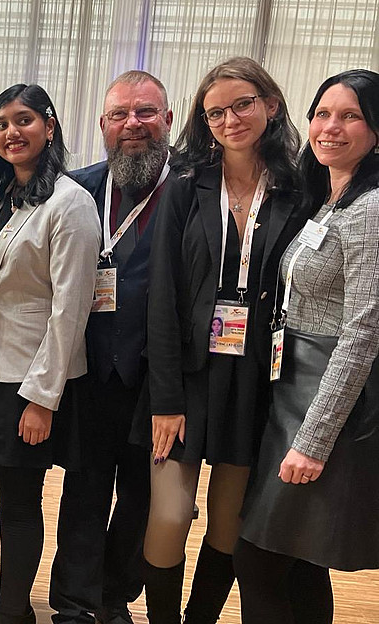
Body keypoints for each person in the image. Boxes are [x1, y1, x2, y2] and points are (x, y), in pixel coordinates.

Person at [139, 57, 306, 624]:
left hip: (257, 378)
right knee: (168, 516)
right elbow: (161, 297)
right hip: (185, 377)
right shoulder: (186, 186)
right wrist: (165, 399)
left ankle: (199, 618)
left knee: (229, 521)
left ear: (271, 105)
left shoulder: (298, 189)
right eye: (215, 112)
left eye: (242, 105)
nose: (230, 119)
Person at [235, 68, 379, 624]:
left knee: (261, 557)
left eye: (350, 116)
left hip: (326, 401)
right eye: (322, 113)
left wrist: (315, 440)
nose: (330, 127)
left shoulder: (370, 211)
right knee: (298, 560)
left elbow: (363, 331)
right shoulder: (330, 200)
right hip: (292, 388)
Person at [0, 85, 102, 624]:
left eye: (23, 121)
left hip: (34, 380)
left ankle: (13, 613)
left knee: (20, 504)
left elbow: (71, 310)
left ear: (50, 125)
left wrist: (43, 399)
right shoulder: (4, 197)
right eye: (0, 125)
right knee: (9, 499)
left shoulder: (71, 202)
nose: (11, 133)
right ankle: (11, 609)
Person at [50, 70, 173, 624]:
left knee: (143, 500)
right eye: (120, 115)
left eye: (145, 112)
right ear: (102, 124)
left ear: (167, 121)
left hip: (160, 379)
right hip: (91, 369)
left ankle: (115, 593)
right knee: (84, 491)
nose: (133, 125)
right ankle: (74, 603)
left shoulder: (191, 191)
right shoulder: (75, 188)